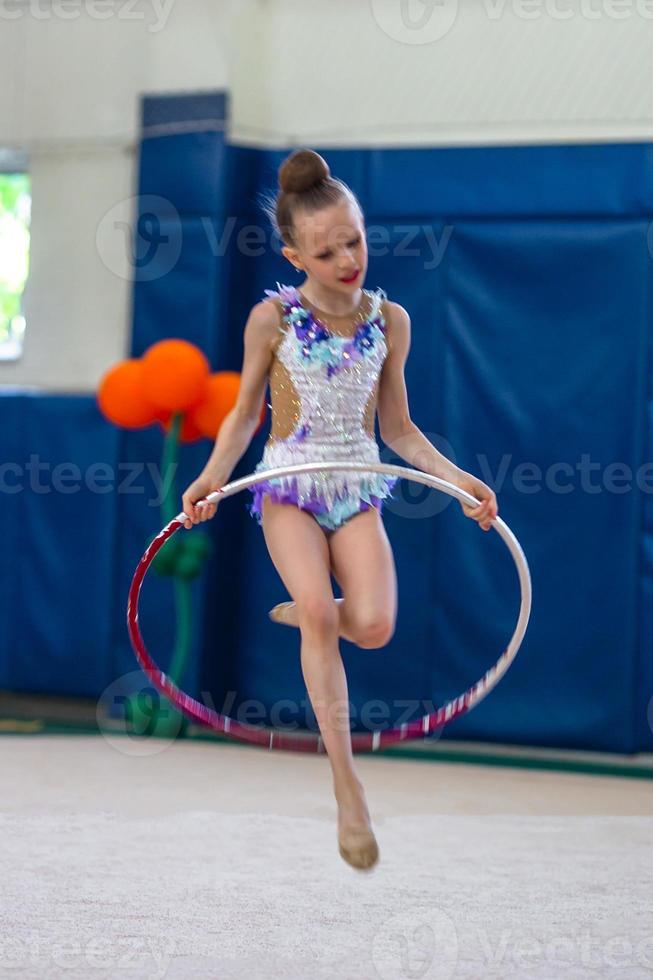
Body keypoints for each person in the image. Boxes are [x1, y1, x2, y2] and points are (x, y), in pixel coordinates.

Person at [181, 148, 498, 871]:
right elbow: (240, 418)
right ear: (295, 254)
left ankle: (309, 612)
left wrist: (462, 483)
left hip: (355, 482)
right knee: (326, 616)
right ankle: (346, 788)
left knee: (376, 626)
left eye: (352, 239)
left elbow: (398, 431)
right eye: (326, 251)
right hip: (290, 480)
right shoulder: (273, 319)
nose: (347, 258)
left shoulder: (391, 320)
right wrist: (208, 477)